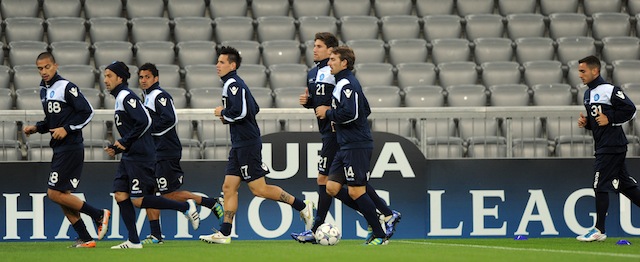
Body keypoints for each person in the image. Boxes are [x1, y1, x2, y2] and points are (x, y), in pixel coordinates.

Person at [291, 33, 400, 244]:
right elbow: (322, 104)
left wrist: (333, 115)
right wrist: (310, 103)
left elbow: (356, 108)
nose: (314, 50)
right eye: (314, 46)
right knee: (336, 185)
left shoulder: (340, 78)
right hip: (333, 134)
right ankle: (383, 214)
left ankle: (316, 230)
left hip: (340, 136)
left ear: (333, 52)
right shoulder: (315, 73)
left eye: (320, 47)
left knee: (341, 183)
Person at [198, 46, 314, 244]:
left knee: (259, 189)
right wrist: (230, 116)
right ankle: (225, 233)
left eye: (222, 62)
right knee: (228, 187)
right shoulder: (234, 84)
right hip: (239, 144)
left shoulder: (233, 84)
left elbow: (242, 112)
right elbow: (254, 108)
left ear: (232, 65)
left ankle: (302, 206)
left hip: (247, 144)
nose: (217, 65)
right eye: (217, 61)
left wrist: (223, 113)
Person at [103, 61, 200, 249]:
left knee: (139, 200)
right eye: (105, 76)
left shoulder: (126, 96)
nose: (105, 80)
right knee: (120, 194)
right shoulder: (122, 97)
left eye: (109, 76)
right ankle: (133, 240)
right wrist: (119, 147)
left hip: (140, 154)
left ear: (120, 78)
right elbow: (134, 126)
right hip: (129, 154)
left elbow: (144, 121)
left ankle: (186, 207)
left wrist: (125, 141)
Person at [23, 52, 110, 248]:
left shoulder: (66, 87)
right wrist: (37, 128)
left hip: (71, 147)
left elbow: (87, 112)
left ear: (55, 65)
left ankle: (98, 214)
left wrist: (68, 129)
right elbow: (53, 121)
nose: (44, 71)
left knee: (54, 193)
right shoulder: (44, 90)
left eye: (47, 67)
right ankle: (86, 238)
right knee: (64, 197)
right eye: (40, 68)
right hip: (60, 148)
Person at [137, 62, 224, 244]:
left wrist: (148, 132)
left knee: (167, 195)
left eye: (147, 77)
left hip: (165, 150)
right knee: (149, 194)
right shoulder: (145, 97)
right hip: (153, 152)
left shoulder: (159, 96)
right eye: (141, 77)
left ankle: (209, 202)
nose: (143, 80)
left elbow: (170, 119)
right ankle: (155, 236)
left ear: (156, 78)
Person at [314, 46, 391, 245]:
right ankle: (374, 215)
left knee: (357, 190)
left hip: (356, 145)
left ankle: (380, 235)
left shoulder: (347, 84)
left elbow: (352, 113)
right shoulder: (344, 83)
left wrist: (328, 112)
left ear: (344, 63)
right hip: (345, 144)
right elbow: (365, 108)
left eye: (332, 59)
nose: (329, 63)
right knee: (331, 186)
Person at [576, 55, 640, 242]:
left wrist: (610, 119)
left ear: (595, 71)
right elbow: (598, 122)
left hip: (612, 146)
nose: (580, 75)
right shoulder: (587, 94)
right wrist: (587, 123)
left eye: (583, 71)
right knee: (626, 186)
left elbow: (630, 110)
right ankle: (598, 229)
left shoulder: (609, 90)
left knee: (600, 185)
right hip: (605, 145)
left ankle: (598, 230)